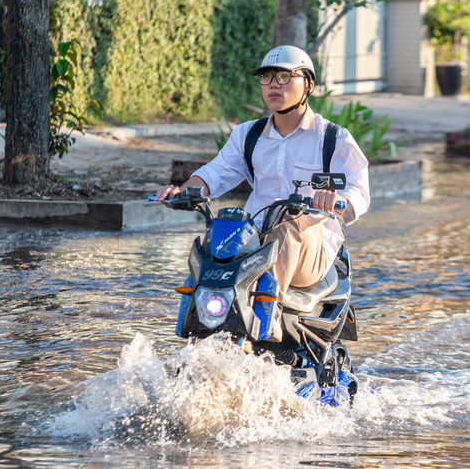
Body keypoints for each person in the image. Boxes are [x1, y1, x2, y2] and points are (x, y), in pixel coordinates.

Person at [156, 45, 371, 300]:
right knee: (217, 235)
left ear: (309, 86)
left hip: (310, 248)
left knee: (287, 224)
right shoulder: (248, 135)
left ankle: (267, 317)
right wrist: (184, 192)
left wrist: (337, 200)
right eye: (266, 77)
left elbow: (358, 190)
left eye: (284, 77)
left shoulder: (333, 138)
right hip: (252, 242)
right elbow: (216, 171)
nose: (273, 85)